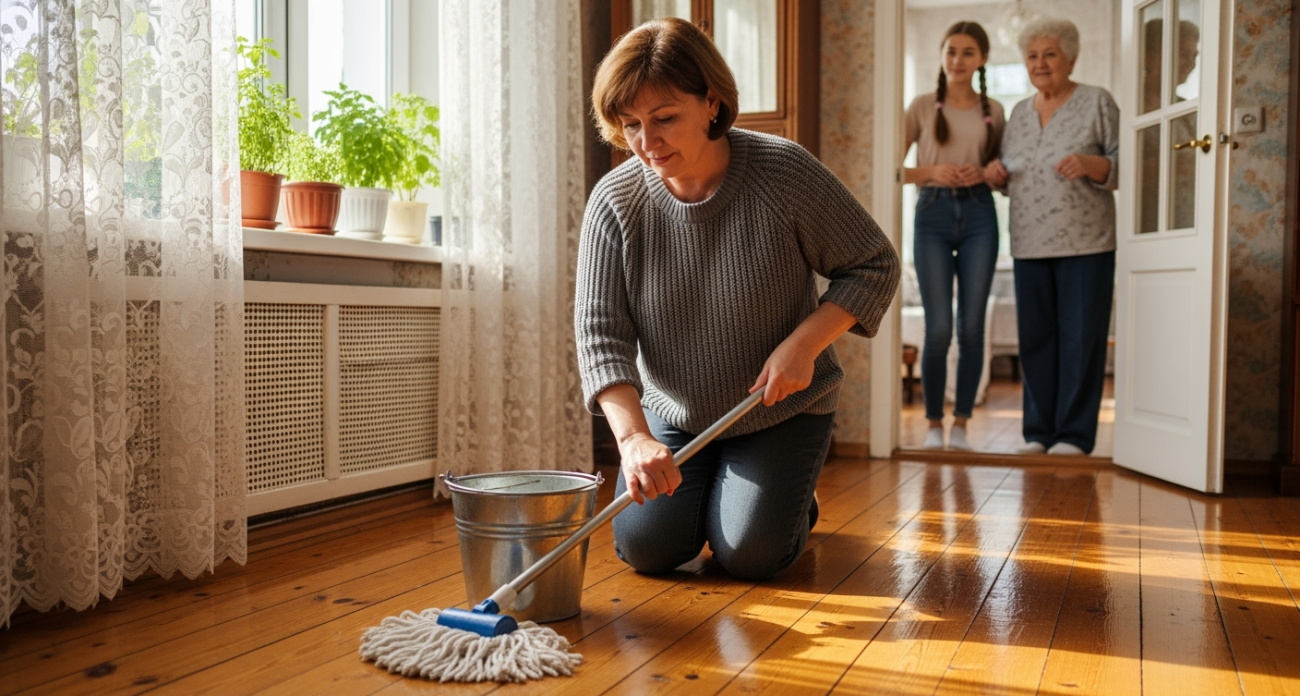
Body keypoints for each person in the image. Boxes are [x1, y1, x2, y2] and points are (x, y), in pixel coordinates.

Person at [576, 17, 899, 581]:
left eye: (665, 118)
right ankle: (734, 496)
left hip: (777, 410)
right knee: (648, 549)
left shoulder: (783, 172)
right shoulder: (615, 202)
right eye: (631, 125)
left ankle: (786, 498)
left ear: (712, 103)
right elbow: (602, 335)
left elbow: (874, 263)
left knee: (750, 554)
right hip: (675, 415)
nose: (647, 144)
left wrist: (805, 345)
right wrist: (632, 440)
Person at [984, 17, 1119, 456]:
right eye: (1032, 56)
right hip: (1028, 240)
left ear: (1071, 58)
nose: (1040, 64)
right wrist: (997, 175)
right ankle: (1039, 431)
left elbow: (1127, 164)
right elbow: (1013, 171)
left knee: (1082, 338)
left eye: (1050, 54)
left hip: (1087, 240)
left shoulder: (1097, 101)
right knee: (1037, 340)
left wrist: (1091, 163)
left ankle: (1075, 435)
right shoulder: (1020, 112)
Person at [902, 21, 1006, 451]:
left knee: (972, 327)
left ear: (981, 59)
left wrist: (987, 173)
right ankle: (932, 424)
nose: (957, 61)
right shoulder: (923, 106)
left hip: (981, 212)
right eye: (951, 51)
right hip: (933, 213)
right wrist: (934, 172)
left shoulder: (994, 110)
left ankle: (961, 422)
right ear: (942, 56)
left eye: (967, 53)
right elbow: (895, 169)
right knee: (939, 328)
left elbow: (1004, 176)